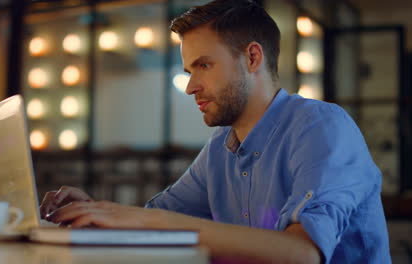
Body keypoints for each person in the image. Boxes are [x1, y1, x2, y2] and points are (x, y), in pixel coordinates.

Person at [40, 0, 391, 263]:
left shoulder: (321, 126)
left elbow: (302, 253)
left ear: (252, 58)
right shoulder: (220, 149)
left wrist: (145, 219)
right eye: (189, 70)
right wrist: (97, 212)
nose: (191, 86)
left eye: (203, 66)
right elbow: (157, 220)